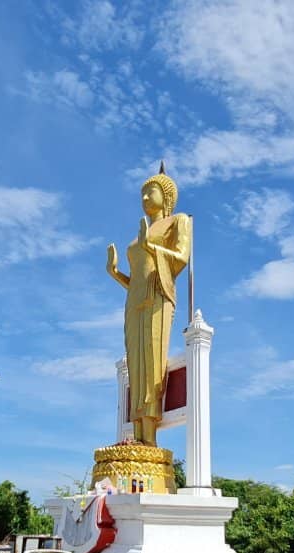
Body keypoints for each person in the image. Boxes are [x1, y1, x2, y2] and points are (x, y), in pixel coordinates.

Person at [106, 163, 191, 446]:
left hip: (157, 295)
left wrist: (151, 246)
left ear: (165, 197)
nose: (144, 199)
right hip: (135, 300)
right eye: (141, 194)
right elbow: (136, 279)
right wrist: (116, 273)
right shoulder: (140, 233)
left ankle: (150, 439)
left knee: (153, 361)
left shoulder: (178, 221)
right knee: (137, 364)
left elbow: (180, 257)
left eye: (149, 192)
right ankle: (138, 438)